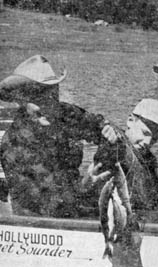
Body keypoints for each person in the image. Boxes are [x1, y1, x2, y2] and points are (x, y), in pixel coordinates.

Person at [84, 98, 158, 267]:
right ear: (130, 121)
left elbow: (153, 199)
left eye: (154, 138)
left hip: (145, 222)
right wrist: (111, 135)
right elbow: (111, 151)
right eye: (145, 133)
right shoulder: (115, 147)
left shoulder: (149, 159)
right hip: (123, 227)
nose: (148, 142)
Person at [0, 55, 109, 218]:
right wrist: (86, 186)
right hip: (42, 223)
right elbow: (47, 203)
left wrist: (108, 131)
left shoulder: (64, 113)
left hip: (78, 204)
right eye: (38, 97)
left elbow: (99, 125)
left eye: (52, 96)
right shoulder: (13, 144)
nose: (47, 105)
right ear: (21, 100)